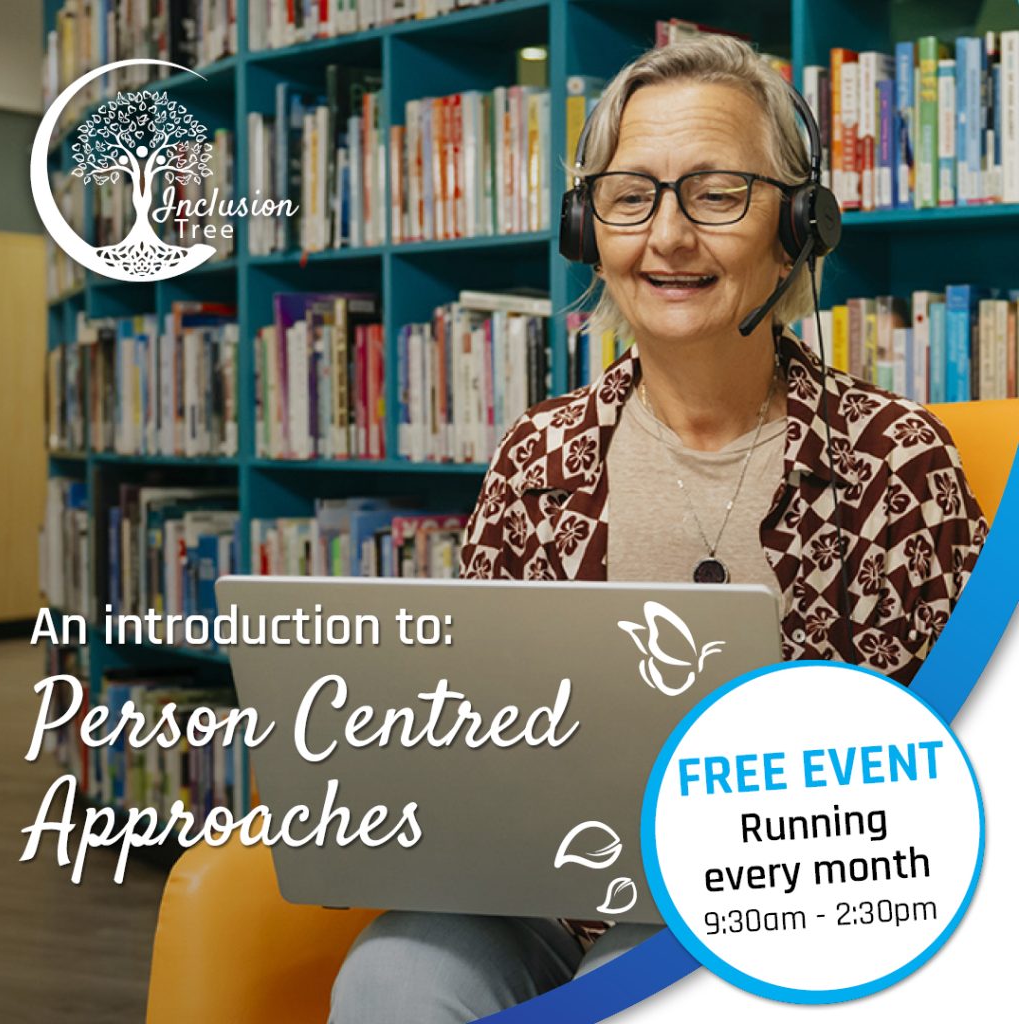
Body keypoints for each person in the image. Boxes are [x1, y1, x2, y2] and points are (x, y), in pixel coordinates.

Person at [330, 35, 986, 1021]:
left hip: (785, 907)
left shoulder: (896, 462)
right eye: (629, 196)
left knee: (631, 988)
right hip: (553, 887)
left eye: (717, 193)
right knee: (392, 975)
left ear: (797, 226)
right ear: (585, 227)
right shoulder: (536, 459)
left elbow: (959, 769)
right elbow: (475, 730)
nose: (667, 238)